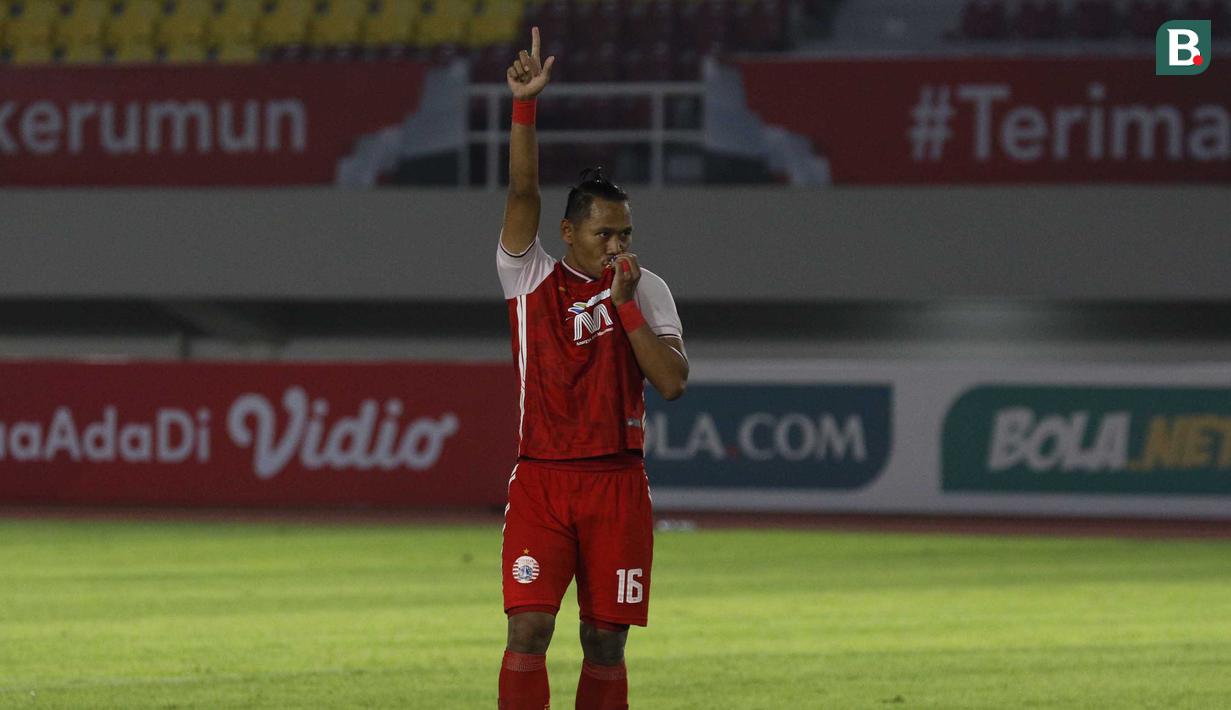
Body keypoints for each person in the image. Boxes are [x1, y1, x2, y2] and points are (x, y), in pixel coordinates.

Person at [495, 27, 689, 710]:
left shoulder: (646, 287)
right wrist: (524, 106)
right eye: (605, 233)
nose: (617, 245)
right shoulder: (528, 278)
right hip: (543, 480)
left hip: (616, 481)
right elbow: (523, 191)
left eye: (625, 234)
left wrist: (627, 308)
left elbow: (669, 382)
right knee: (529, 626)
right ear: (569, 233)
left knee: (606, 641)